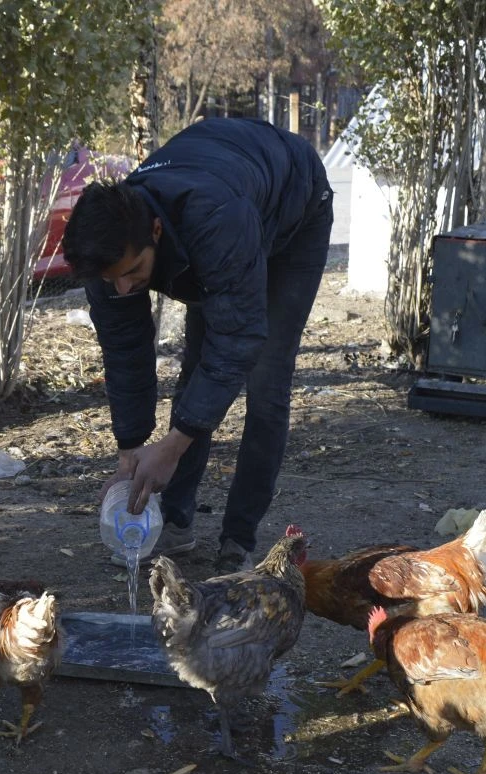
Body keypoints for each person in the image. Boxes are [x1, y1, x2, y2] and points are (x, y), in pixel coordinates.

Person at [61, 117, 333, 574]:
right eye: (114, 279)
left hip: (293, 209)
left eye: (133, 272)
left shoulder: (213, 220)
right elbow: (124, 349)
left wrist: (171, 446)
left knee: (265, 378)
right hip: (229, 192)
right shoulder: (109, 249)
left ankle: (238, 538)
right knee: (197, 377)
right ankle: (177, 522)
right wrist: (131, 449)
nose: (124, 289)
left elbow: (238, 339)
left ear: (155, 232)